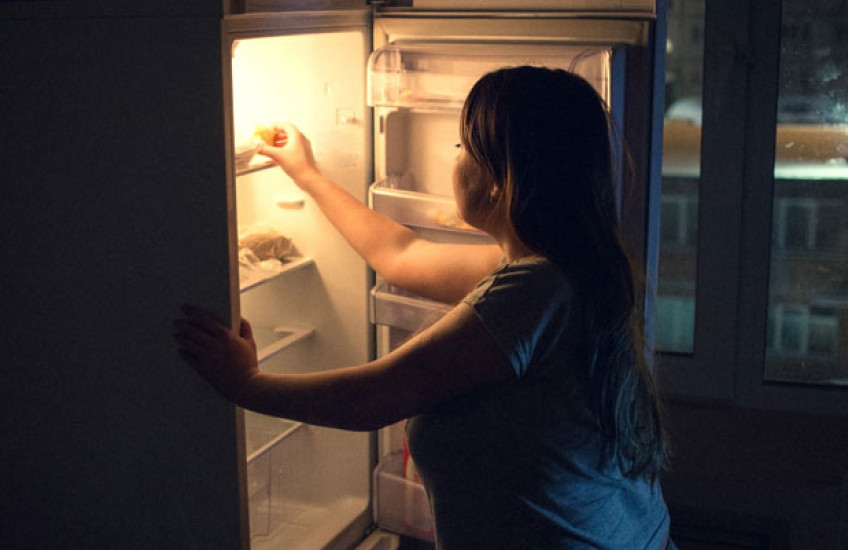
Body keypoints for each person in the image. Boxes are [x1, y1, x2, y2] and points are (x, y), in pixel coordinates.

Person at [174, 66, 671, 549]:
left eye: (462, 147)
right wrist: (308, 175)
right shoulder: (568, 269)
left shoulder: (539, 290)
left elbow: (373, 399)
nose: (454, 159)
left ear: (501, 179)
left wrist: (246, 385)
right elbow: (401, 256)